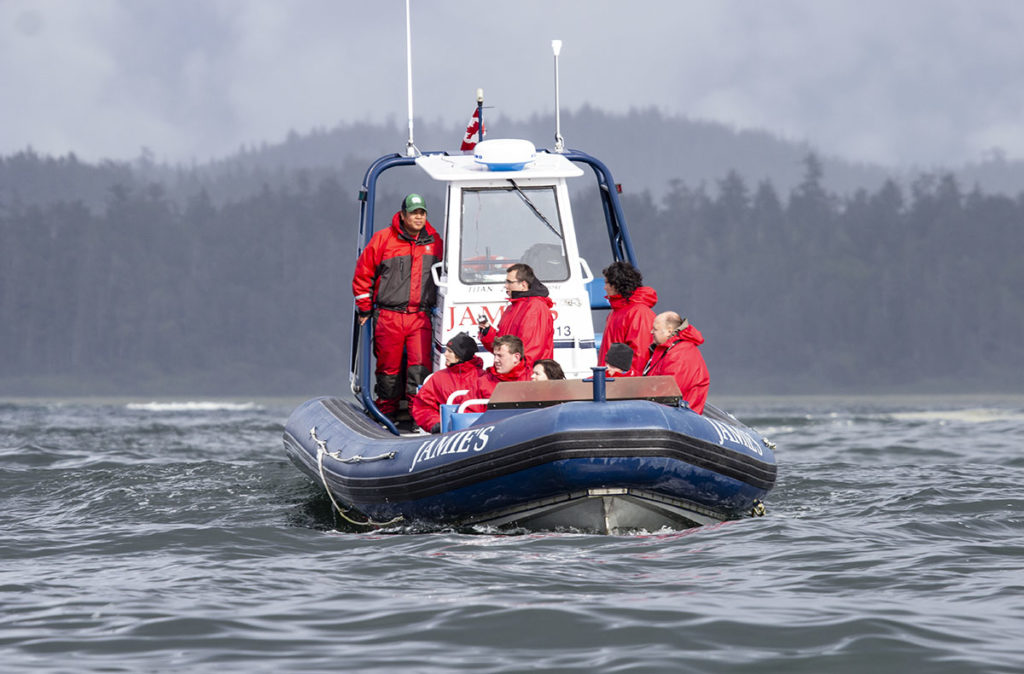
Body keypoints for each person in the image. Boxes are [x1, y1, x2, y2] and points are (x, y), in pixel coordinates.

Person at [352, 193, 443, 418]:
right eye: (413, 213)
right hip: (388, 316)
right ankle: (386, 414)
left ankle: (418, 415)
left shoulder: (435, 241)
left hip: (420, 316)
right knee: (388, 369)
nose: (418, 217)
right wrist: (364, 308)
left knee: (420, 368)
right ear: (403, 215)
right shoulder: (383, 239)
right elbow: (363, 275)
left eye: (422, 213)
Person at [477, 263, 554, 364]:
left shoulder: (535, 308)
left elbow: (531, 351)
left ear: (523, 285)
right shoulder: (512, 307)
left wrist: (512, 372)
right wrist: (487, 331)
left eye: (509, 282)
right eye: (506, 281)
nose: (505, 285)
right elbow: (502, 347)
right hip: (513, 373)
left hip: (527, 376)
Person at [409, 333, 483, 433]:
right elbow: (422, 406)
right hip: (445, 434)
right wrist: (435, 423)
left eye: (450, 351)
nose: (445, 354)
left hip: (478, 431)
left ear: (461, 356)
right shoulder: (438, 378)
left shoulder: (483, 377)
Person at [642, 311, 709, 414]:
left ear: (669, 331)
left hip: (681, 417)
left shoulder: (680, 353)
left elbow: (669, 393)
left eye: (655, 329)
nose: (651, 332)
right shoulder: (666, 350)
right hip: (670, 415)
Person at [598, 261, 658, 375]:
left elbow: (640, 354)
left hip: (623, 385)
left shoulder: (639, 313)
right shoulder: (616, 312)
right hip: (612, 380)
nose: (604, 288)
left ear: (616, 285)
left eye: (607, 283)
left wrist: (631, 385)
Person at [460, 335, 532, 412]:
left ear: (516, 357)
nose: (495, 360)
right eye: (495, 355)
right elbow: (468, 414)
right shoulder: (483, 382)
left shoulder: (533, 379)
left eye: (500, 356)